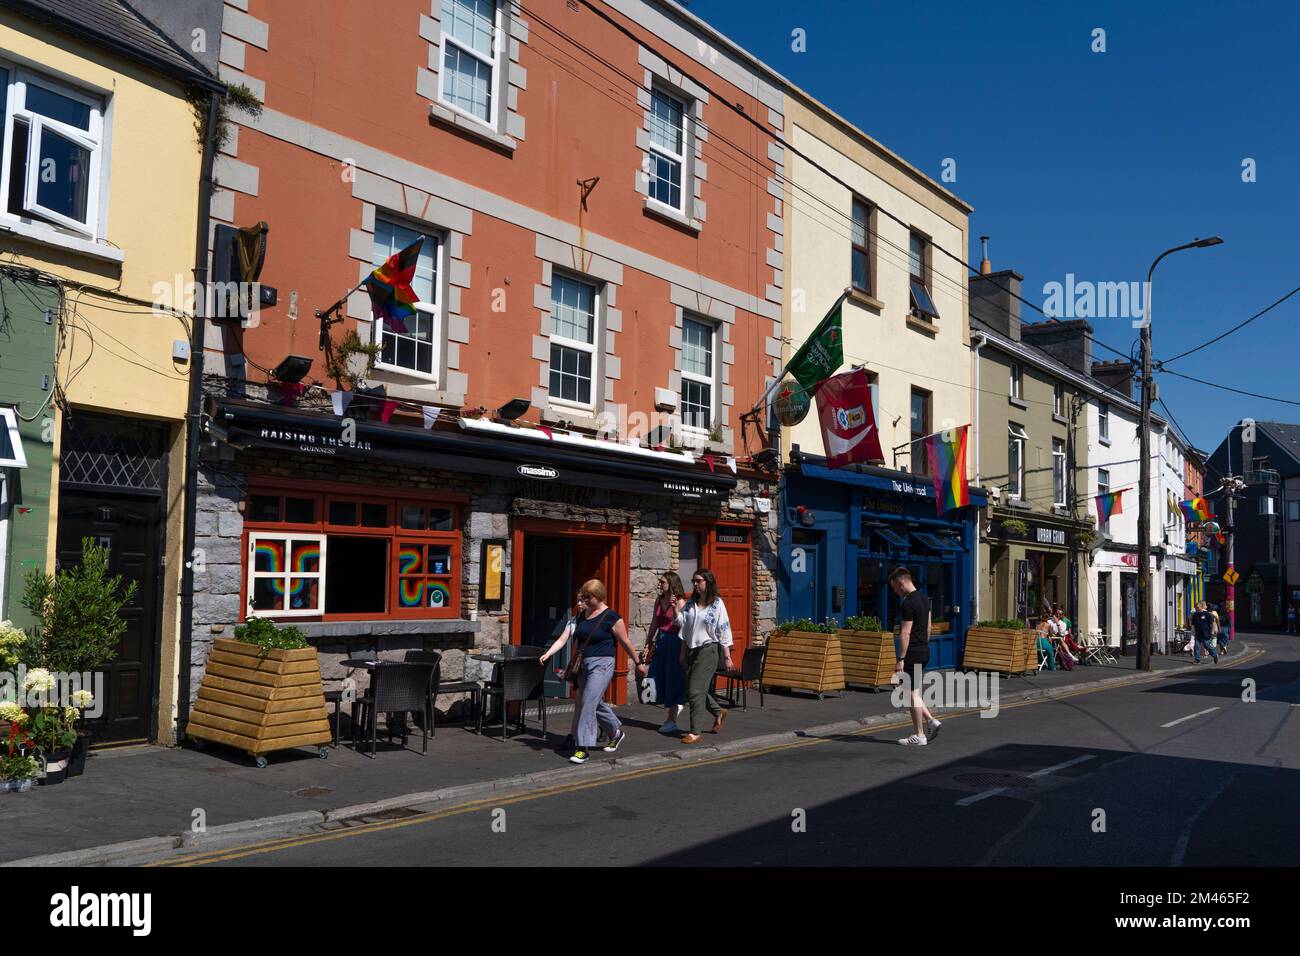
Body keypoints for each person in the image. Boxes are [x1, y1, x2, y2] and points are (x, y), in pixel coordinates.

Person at [539, 579, 640, 764]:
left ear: (598, 596)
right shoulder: (580, 616)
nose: (583, 600)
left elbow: (625, 642)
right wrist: (548, 653)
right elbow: (563, 639)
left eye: (587, 597)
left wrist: (638, 662)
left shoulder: (612, 617)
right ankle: (616, 731)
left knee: (587, 703)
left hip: (603, 664)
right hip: (583, 665)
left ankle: (582, 748)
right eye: (583, 596)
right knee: (591, 702)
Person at [677, 568, 733, 744]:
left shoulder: (717, 603)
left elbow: (724, 629)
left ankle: (695, 731)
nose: (695, 584)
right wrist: (683, 653)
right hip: (692, 650)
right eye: (693, 581)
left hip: (708, 650)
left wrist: (727, 656)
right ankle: (718, 712)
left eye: (698, 581)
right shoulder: (690, 602)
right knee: (695, 689)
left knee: (694, 691)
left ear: (707, 582)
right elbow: (684, 628)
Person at [890, 566, 941, 746]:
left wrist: (901, 659)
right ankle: (931, 721)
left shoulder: (908, 602)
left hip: (912, 652)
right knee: (913, 691)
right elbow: (928, 627)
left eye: (895, 587)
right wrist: (923, 645)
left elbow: (905, 633)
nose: (896, 591)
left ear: (901, 582)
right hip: (924, 649)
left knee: (911, 694)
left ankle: (919, 735)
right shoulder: (924, 599)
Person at [641, 572, 688, 734]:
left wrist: (683, 652)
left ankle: (671, 719)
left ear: (672, 583)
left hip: (675, 642)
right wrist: (647, 642)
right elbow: (655, 623)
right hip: (661, 641)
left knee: (673, 679)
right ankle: (674, 707)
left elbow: (684, 627)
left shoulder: (681, 602)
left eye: (663, 582)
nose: (660, 584)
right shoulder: (659, 600)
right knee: (656, 677)